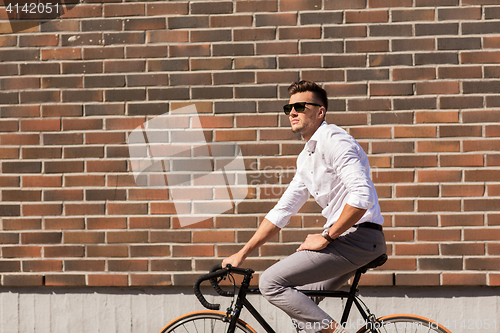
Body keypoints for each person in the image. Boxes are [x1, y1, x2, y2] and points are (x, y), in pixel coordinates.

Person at [223, 80, 386, 333]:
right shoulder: (306, 157)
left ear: (320, 112)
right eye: (288, 107)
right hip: (350, 240)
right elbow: (282, 211)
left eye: (300, 106)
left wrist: (326, 235)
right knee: (305, 309)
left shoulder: (335, 140)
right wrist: (241, 254)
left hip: (357, 237)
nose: (292, 112)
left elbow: (361, 197)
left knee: (270, 282)